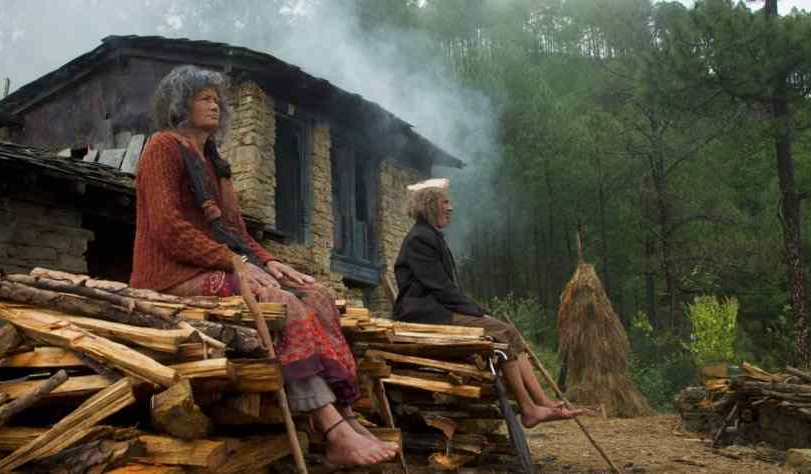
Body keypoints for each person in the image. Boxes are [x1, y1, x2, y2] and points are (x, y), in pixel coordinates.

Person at [130, 65, 398, 466]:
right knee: (279, 303)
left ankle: (345, 412)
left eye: (217, 98)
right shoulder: (162, 148)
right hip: (169, 277)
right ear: (179, 104)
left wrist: (272, 263)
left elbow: (237, 231)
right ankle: (331, 427)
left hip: (211, 266)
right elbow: (169, 227)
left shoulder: (215, 164)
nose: (215, 104)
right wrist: (233, 263)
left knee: (318, 295)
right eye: (204, 97)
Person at [392, 178, 582, 428]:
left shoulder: (430, 236)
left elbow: (445, 288)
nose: (450, 208)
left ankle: (542, 401)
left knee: (510, 333)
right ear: (430, 205)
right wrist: (477, 311)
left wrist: (479, 312)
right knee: (501, 332)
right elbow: (440, 287)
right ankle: (528, 409)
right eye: (445, 202)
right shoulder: (420, 238)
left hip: (437, 307)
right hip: (423, 312)